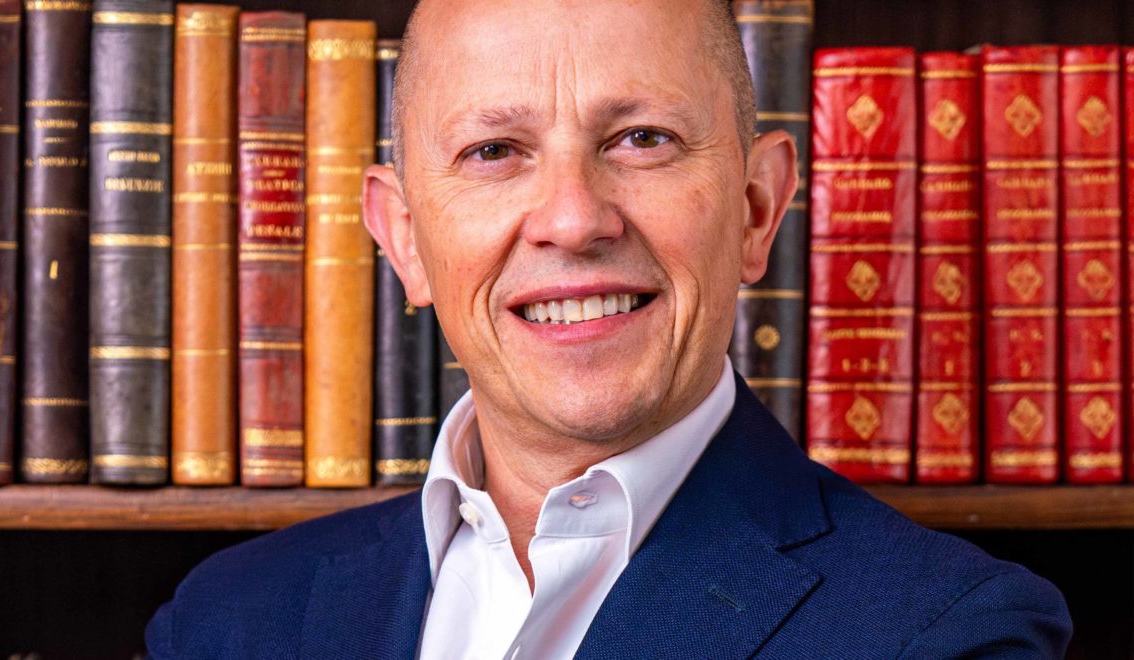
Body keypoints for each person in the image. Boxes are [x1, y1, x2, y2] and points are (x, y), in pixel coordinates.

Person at [146, 0, 1073, 657]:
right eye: (494, 151)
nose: (574, 219)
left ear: (756, 210)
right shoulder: (223, 624)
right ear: (405, 240)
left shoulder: (947, 632)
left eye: (642, 140)